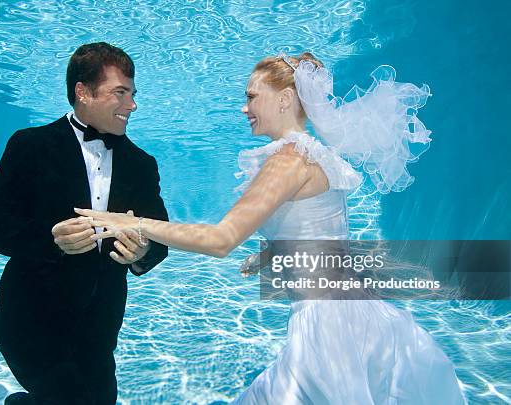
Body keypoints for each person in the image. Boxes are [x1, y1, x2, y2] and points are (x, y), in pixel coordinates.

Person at [75, 52, 467, 404]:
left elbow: (220, 240)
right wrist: (275, 252)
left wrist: (131, 222)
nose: (244, 108)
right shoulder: (315, 155)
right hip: (357, 313)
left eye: (251, 97)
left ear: (284, 99)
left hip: (328, 326)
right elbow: (323, 230)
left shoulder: (287, 162)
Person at [0, 42, 169, 404]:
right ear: (83, 92)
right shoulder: (30, 145)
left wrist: (143, 249)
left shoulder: (141, 164)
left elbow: (160, 238)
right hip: (31, 321)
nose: (132, 105)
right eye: (121, 93)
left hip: (99, 331)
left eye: (133, 93)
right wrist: (51, 240)